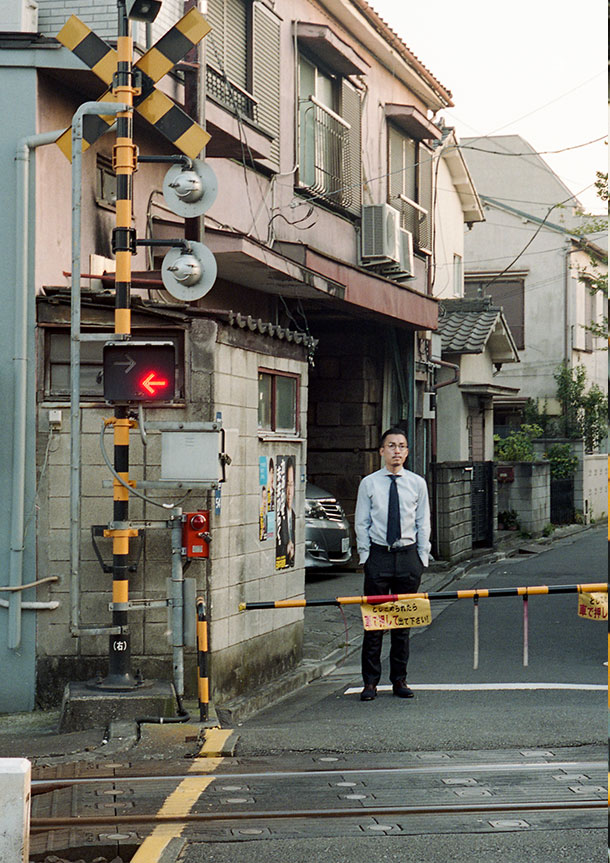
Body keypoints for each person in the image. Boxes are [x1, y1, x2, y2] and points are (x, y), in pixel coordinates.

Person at [354, 427, 431, 701]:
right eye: (391, 446)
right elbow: (361, 521)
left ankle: (400, 679)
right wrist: (366, 556)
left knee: (403, 623)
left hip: (408, 556)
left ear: (407, 452)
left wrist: (422, 556)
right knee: (374, 624)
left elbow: (423, 522)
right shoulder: (370, 483)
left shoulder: (417, 483)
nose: (396, 451)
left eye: (401, 446)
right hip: (379, 555)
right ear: (382, 451)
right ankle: (370, 682)